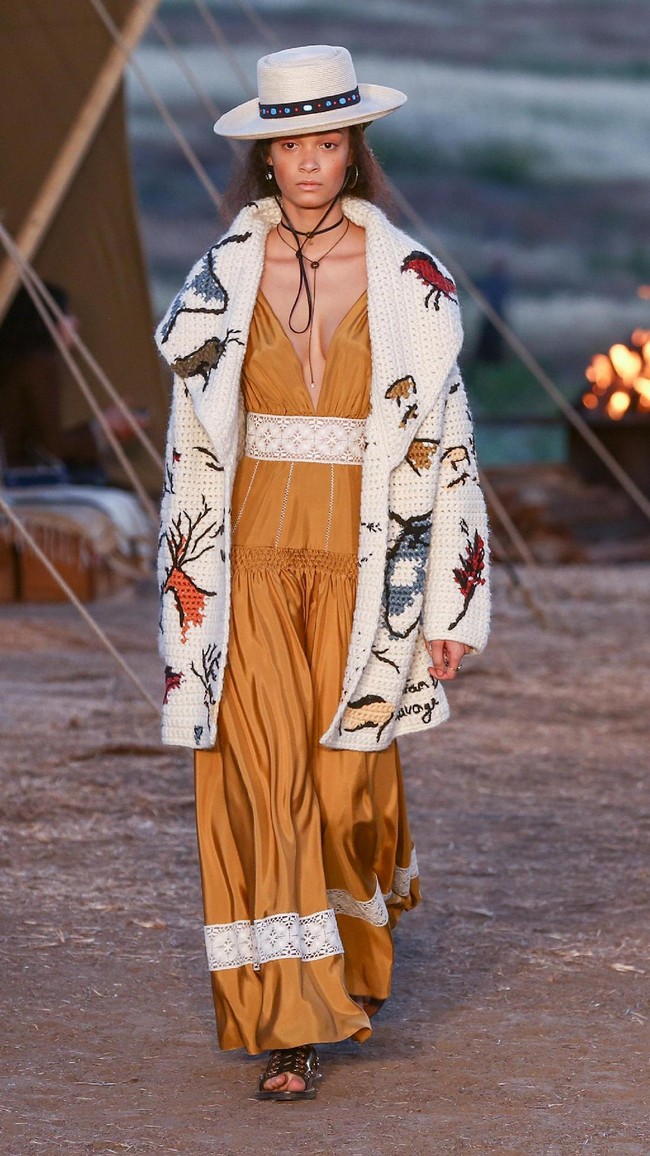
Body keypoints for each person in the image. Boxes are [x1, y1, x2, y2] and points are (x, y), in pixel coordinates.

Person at [155, 44, 490, 1101]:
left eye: (329, 140)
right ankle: (286, 1023)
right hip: (246, 563)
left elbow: (449, 449)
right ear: (264, 155)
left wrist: (448, 602)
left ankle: (347, 959)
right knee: (262, 786)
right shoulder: (219, 277)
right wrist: (183, 596)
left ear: (354, 150)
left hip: (362, 571)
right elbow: (189, 450)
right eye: (291, 141)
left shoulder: (407, 280)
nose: (310, 160)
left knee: (346, 789)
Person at [0, 284, 147, 486]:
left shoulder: (21, 359)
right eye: (67, 315)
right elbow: (52, 448)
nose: (75, 323)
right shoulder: (40, 363)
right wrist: (103, 428)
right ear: (47, 319)